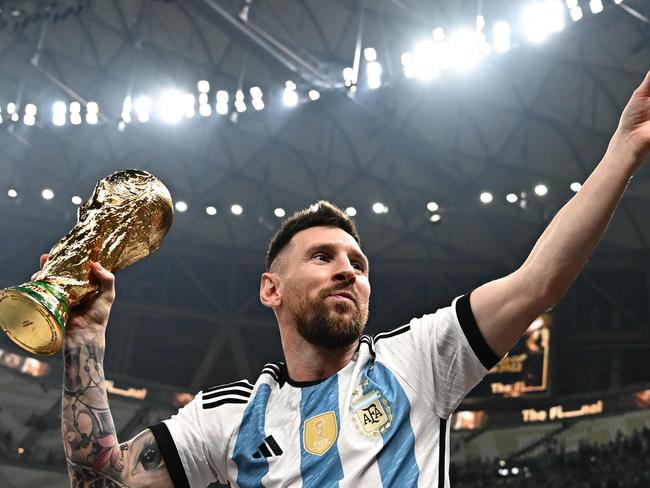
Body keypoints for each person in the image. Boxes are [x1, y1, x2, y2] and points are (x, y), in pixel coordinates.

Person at [58, 71, 650, 487]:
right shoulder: (227, 417)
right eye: (322, 257)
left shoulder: (417, 361)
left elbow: (538, 281)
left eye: (358, 264)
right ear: (271, 289)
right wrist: (84, 347)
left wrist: (624, 148)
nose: (347, 269)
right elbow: (102, 484)